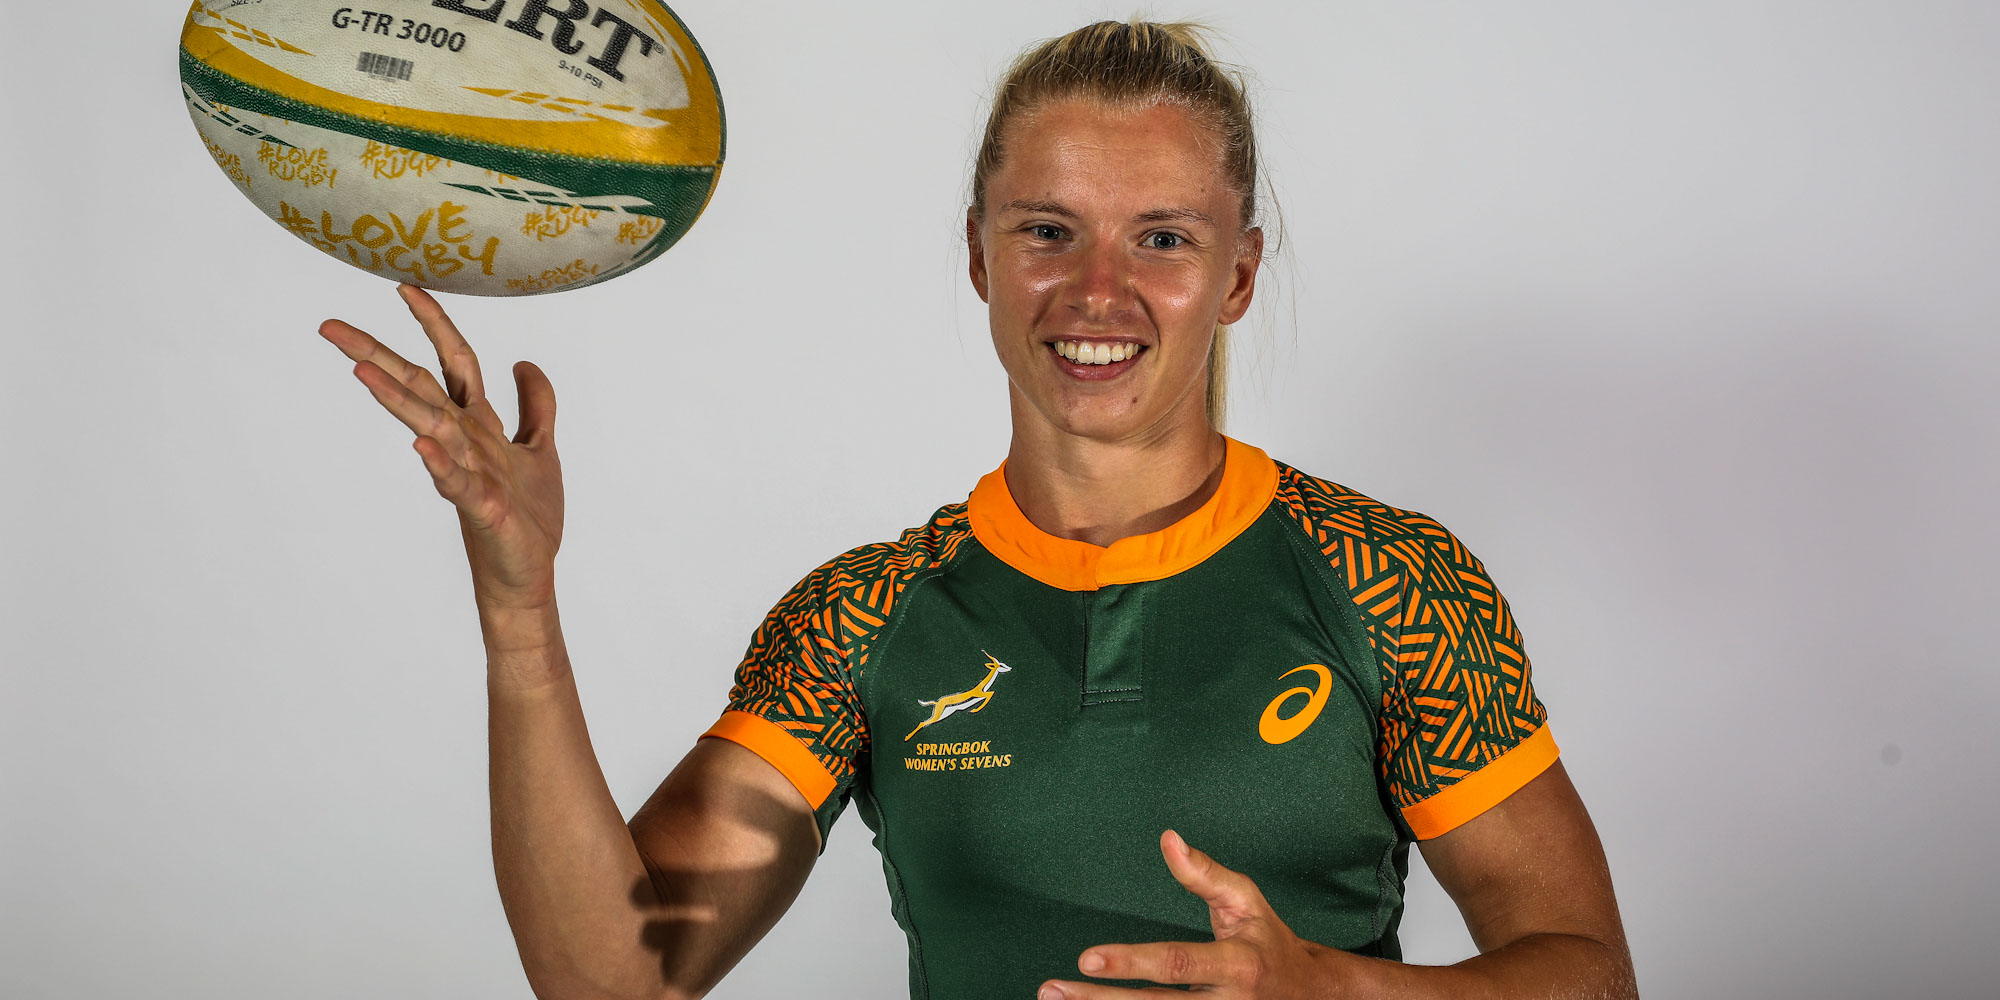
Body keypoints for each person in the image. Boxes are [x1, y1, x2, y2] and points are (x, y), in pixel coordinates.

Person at [318, 18, 1635, 1000]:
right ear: (978, 255)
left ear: (1238, 276)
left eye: (1164, 238)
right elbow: (614, 979)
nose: (1098, 293)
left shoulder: (1385, 582)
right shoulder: (868, 620)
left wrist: (1336, 994)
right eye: (1046, 231)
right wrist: (520, 612)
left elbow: (1588, 974)